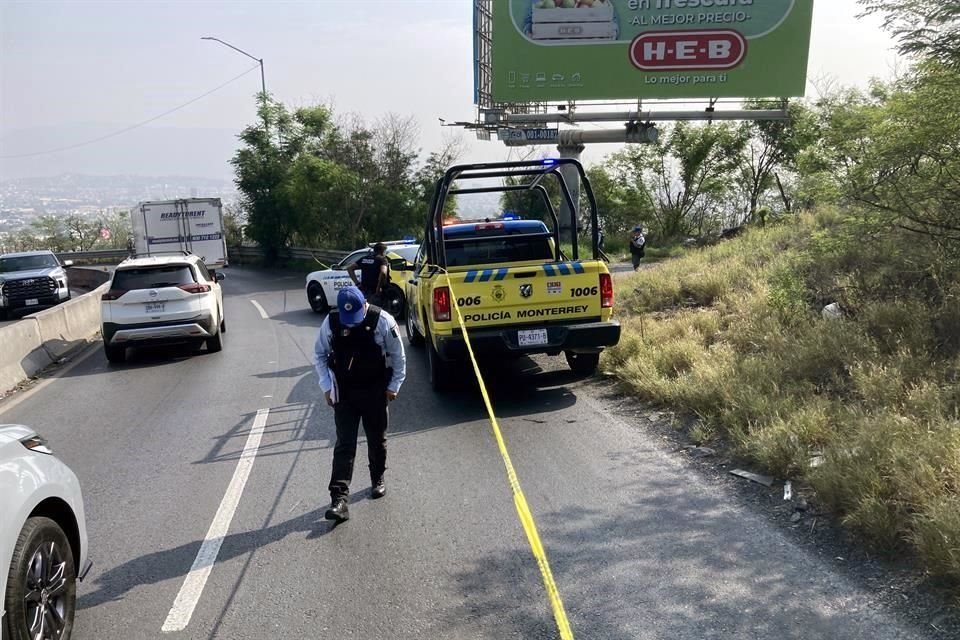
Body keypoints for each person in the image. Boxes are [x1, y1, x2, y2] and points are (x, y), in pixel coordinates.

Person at [314, 285, 406, 523]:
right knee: (345, 444)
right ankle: (339, 500)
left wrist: (393, 386)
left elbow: (398, 357)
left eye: (355, 317)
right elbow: (320, 355)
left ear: (364, 305)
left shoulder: (383, 321)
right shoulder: (332, 322)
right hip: (344, 392)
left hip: (375, 390)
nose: (351, 324)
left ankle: (378, 478)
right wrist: (326, 386)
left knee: (377, 439)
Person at [347, 242, 389, 307]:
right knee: (374, 312)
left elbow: (350, 268)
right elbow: (383, 273)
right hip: (374, 291)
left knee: (364, 311)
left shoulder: (364, 258)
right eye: (385, 251)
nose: (385, 253)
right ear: (382, 251)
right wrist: (378, 288)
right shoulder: (382, 259)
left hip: (363, 289)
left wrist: (357, 283)